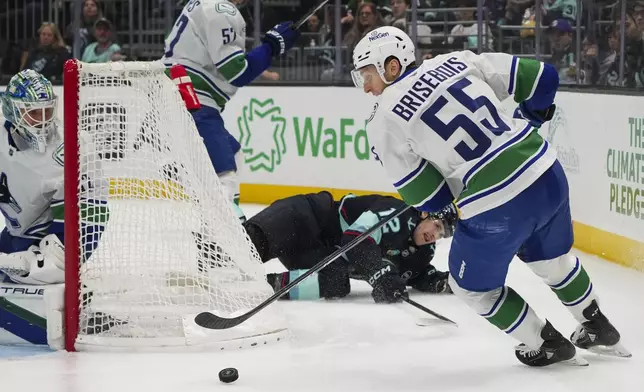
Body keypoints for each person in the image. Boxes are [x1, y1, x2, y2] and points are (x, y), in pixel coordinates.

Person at [350, 25, 631, 366]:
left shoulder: (382, 120)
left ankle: (545, 342)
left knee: (471, 287)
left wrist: (454, 192)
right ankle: (598, 325)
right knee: (552, 261)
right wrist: (529, 118)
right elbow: (544, 78)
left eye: (367, 74)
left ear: (391, 66)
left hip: (496, 203)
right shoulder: (456, 60)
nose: (365, 87)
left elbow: (428, 197)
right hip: (544, 169)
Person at [161, 0, 300, 221]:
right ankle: (226, 232)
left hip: (175, 91)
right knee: (223, 174)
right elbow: (237, 72)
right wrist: (271, 46)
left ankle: (184, 167)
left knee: (232, 151)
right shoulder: (220, 9)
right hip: (192, 97)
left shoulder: (201, 4)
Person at [243, 191, 456, 303]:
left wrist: (445, 282)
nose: (434, 235)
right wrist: (380, 275)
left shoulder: (424, 252)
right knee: (244, 248)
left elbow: (414, 274)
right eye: (436, 226)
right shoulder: (397, 212)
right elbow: (355, 239)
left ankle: (266, 287)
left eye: (441, 233)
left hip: (316, 252)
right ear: (424, 214)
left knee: (337, 283)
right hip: (303, 219)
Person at [0, 70, 66, 285]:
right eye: (34, 113)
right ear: (12, 109)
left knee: (46, 272)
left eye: (47, 111)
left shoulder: (68, 147)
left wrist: (59, 254)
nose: (43, 120)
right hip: (13, 237)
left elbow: (92, 213)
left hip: (49, 240)